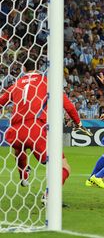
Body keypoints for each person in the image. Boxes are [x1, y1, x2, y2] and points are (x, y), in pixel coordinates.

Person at [0, 59, 87, 191]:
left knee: (18, 149)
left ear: (23, 69)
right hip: (35, 130)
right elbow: (68, 106)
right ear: (38, 68)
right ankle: (49, 195)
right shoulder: (46, 82)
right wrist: (78, 123)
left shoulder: (16, 84)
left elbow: (1, 102)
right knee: (63, 166)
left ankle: (23, 175)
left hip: (15, 131)